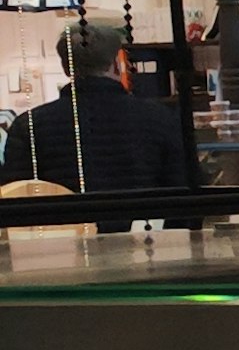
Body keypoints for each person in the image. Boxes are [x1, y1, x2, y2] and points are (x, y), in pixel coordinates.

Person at [0, 21, 197, 215]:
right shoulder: (160, 117)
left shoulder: (29, 125)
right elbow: (183, 187)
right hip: (146, 236)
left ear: (66, 68)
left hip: (63, 239)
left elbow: (15, 196)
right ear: (115, 64)